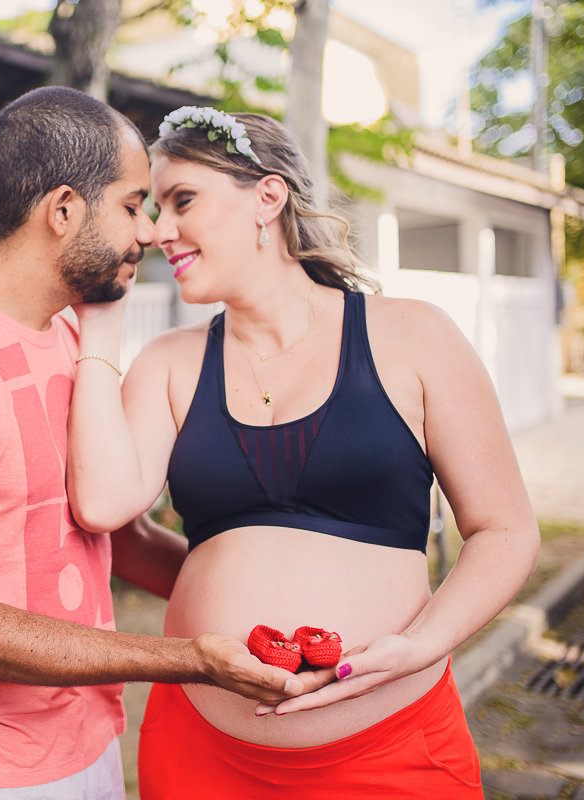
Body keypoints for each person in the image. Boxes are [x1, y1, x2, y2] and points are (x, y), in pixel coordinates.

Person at [0, 88, 334, 799]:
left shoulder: (70, 338)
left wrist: (263, 613)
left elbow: (113, 537)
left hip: (88, 746)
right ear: (65, 211)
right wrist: (190, 659)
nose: (150, 233)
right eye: (135, 205)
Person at [65, 106, 540, 798]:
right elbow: (107, 509)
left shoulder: (414, 337)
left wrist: (422, 642)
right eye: (152, 208)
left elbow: (505, 530)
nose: (159, 231)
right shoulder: (166, 364)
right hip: (203, 756)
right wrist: (100, 328)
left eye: (182, 201)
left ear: (267, 197)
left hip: (393, 750)